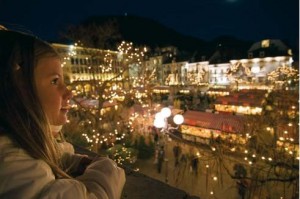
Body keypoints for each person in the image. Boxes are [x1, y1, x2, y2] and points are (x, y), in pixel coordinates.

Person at [0, 29, 125, 198]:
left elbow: (45, 154)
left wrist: (74, 162)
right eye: (54, 81)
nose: (69, 93)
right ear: (17, 92)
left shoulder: (15, 149)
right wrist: (107, 171)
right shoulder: (12, 164)